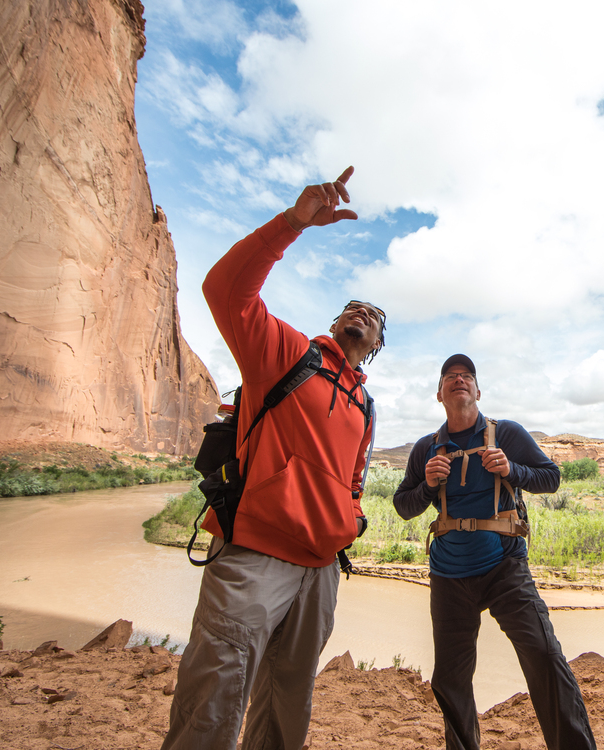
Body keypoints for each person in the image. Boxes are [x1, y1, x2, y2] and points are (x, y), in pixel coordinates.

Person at [162, 167, 386, 750]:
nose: (362, 314)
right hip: (255, 552)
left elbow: (355, 480)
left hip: (320, 569)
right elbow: (225, 290)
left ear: (378, 348)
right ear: (337, 322)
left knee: (289, 700)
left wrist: (351, 520)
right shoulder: (289, 354)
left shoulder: (365, 404)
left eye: (375, 317)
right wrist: (292, 224)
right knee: (214, 694)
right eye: (353, 308)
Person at [393, 355, 597, 750]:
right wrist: (428, 486)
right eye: (450, 377)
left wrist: (512, 471)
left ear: (478, 391)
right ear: (439, 394)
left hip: (505, 567)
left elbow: (551, 478)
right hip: (449, 575)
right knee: (450, 679)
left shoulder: (507, 434)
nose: (459, 380)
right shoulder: (426, 449)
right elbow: (404, 506)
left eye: (467, 375)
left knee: (542, 654)